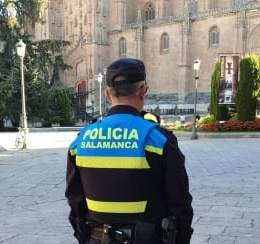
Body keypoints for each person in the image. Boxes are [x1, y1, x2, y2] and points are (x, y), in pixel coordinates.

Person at [65, 58, 193, 244]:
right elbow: (180, 204)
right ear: (142, 91)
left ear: (108, 95)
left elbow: (75, 201)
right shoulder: (158, 139)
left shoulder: (81, 141)